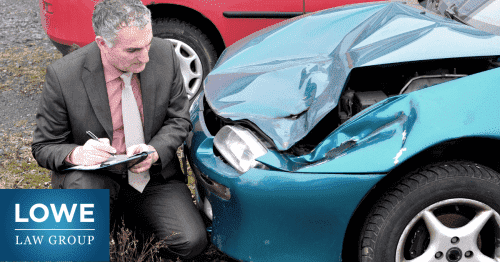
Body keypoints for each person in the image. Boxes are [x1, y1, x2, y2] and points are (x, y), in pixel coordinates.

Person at [31, 0, 207, 259]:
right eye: (133, 50)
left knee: (192, 241)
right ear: (103, 43)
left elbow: (178, 120)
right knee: (78, 244)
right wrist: (77, 154)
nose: (146, 57)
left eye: (148, 44)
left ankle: (131, 223)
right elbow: (44, 146)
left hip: (153, 177)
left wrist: (155, 151)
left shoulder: (165, 54)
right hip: (93, 178)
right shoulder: (64, 75)